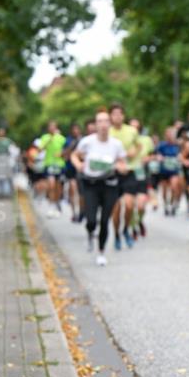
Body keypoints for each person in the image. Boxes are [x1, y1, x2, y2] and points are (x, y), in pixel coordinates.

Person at [70, 110, 127, 266]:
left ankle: (101, 251)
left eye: (105, 121)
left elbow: (123, 163)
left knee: (104, 220)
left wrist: (121, 167)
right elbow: (74, 155)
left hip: (109, 184)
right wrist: (78, 165)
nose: (103, 125)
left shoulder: (116, 144)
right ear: (95, 125)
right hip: (91, 184)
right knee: (91, 220)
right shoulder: (87, 142)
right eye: (99, 121)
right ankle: (90, 232)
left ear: (110, 124)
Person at [107, 104, 139, 250]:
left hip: (129, 172)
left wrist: (134, 153)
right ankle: (117, 235)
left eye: (120, 114)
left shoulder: (132, 131)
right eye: (114, 114)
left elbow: (139, 146)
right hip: (113, 173)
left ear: (123, 116)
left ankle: (126, 229)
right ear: (110, 116)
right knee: (116, 208)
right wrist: (118, 161)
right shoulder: (107, 132)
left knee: (130, 205)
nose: (117, 116)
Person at [128, 118, 154, 239]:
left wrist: (147, 159)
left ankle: (139, 221)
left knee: (141, 205)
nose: (134, 130)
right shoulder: (125, 140)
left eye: (136, 127)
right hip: (129, 174)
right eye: (132, 127)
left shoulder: (146, 140)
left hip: (143, 174)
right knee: (131, 205)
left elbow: (152, 154)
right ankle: (133, 227)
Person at [36, 121, 67, 218]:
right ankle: (51, 206)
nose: (52, 128)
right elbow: (39, 149)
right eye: (50, 127)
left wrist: (62, 153)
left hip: (59, 165)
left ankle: (57, 204)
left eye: (54, 127)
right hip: (49, 164)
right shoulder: (45, 137)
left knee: (58, 187)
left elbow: (67, 150)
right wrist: (49, 140)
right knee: (51, 184)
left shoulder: (61, 138)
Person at [156, 126, 183, 215]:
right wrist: (159, 157)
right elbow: (156, 154)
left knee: (174, 186)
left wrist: (179, 158)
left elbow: (181, 155)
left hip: (174, 170)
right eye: (168, 134)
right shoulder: (162, 145)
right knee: (164, 189)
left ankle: (172, 203)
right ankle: (165, 204)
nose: (170, 136)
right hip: (164, 170)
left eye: (172, 134)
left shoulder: (177, 145)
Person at [63, 122, 83, 222]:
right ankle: (74, 212)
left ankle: (80, 212)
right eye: (74, 129)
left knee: (80, 192)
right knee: (72, 188)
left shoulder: (84, 140)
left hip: (80, 169)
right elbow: (63, 154)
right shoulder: (68, 140)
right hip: (70, 168)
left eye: (77, 129)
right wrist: (72, 145)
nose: (76, 131)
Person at [0, 128, 13, 198]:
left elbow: (10, 149)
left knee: (5, 176)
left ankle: (6, 192)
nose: (0, 134)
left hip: (5, 158)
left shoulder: (7, 141)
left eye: (2, 132)